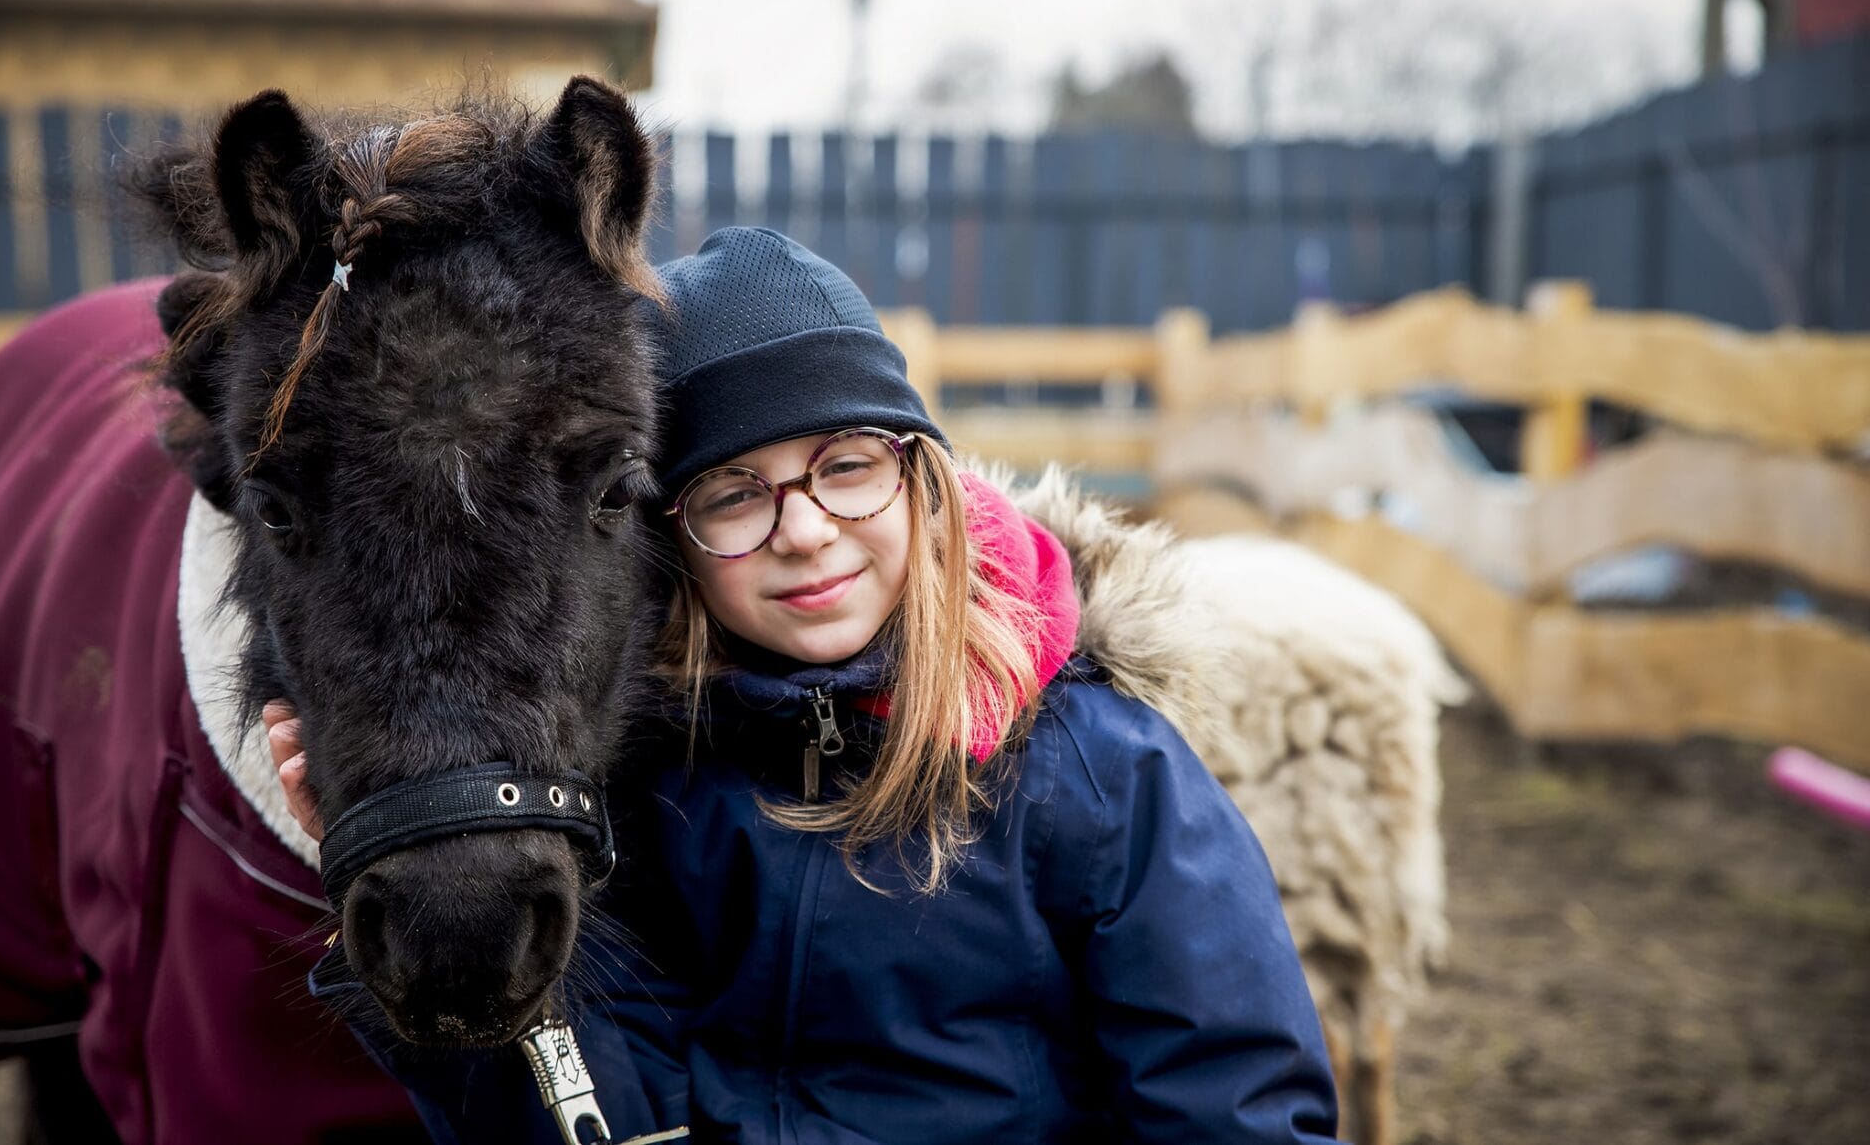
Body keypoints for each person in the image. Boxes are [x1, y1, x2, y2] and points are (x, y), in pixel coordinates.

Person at [266, 226, 1343, 1143]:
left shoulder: (1094, 768)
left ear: (920, 479)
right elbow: (592, 1112)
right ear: (670, 540)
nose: (807, 531)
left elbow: (1232, 1097)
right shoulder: (649, 788)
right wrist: (402, 936)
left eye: (847, 465)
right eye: (736, 494)